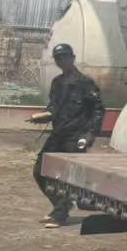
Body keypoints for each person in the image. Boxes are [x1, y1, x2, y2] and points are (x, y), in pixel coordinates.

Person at [31, 42, 106, 226]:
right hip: (59, 134)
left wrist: (89, 136)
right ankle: (60, 206)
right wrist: (43, 116)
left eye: (65, 57)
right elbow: (53, 108)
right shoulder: (57, 83)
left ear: (72, 58)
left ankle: (59, 214)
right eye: (58, 58)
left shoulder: (85, 83)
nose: (62, 61)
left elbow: (98, 110)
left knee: (66, 177)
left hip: (75, 136)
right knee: (40, 171)